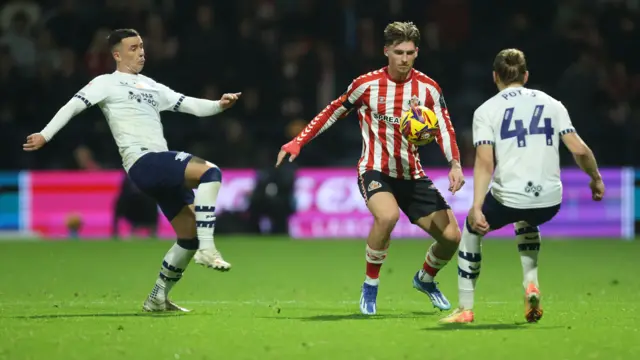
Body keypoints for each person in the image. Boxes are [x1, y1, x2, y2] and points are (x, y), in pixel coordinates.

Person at [23, 29, 241, 312]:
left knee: (188, 237)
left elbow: (189, 105)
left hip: (159, 165)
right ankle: (208, 249)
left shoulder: (151, 86)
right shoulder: (105, 83)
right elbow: (72, 107)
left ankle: (157, 298)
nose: (141, 52)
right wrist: (45, 134)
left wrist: (219, 105)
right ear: (117, 54)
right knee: (210, 172)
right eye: (133, 47)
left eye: (142, 47)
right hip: (143, 162)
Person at [276, 21, 465, 315]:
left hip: (412, 175)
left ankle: (425, 278)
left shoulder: (428, 89)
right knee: (387, 216)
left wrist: (454, 163)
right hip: (375, 169)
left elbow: (444, 128)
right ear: (386, 51)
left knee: (452, 237)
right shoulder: (366, 85)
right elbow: (333, 111)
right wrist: (298, 141)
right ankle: (370, 286)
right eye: (399, 52)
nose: (405, 59)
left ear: (417, 52)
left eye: (411, 52)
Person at [440, 48, 606, 324]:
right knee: (526, 218)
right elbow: (579, 149)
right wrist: (596, 178)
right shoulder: (553, 104)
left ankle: (465, 309)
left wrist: (477, 206)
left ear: (495, 77)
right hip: (550, 201)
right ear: (526, 75)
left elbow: (484, 162)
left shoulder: (486, 111)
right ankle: (531, 284)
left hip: (510, 198)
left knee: (471, 231)